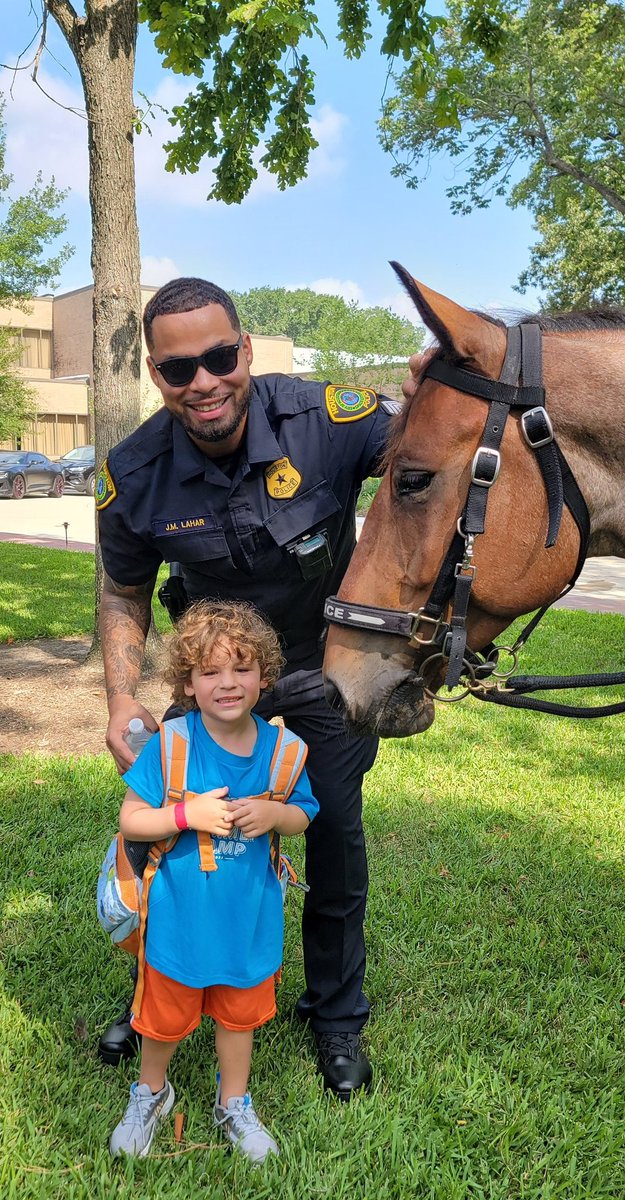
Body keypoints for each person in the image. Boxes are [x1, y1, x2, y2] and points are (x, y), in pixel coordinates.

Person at [96, 277, 398, 1098]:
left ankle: (334, 1016)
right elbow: (124, 591)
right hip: (210, 685)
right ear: (156, 376)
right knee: (160, 838)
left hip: (320, 674)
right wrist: (124, 699)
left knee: (330, 840)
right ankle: (158, 988)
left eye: (219, 358)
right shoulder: (133, 473)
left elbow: (432, 454)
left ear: (247, 352)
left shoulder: (327, 422)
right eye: (177, 369)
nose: (203, 382)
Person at [109, 599, 318, 1160]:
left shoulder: (285, 751)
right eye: (210, 672)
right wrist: (186, 815)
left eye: (242, 667)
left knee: (238, 1017)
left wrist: (277, 815)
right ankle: (151, 1092)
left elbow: (304, 814)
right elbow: (132, 819)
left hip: (247, 923)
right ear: (189, 684)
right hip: (178, 923)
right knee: (162, 1019)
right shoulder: (174, 745)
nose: (228, 683)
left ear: (265, 677)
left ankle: (235, 1101)